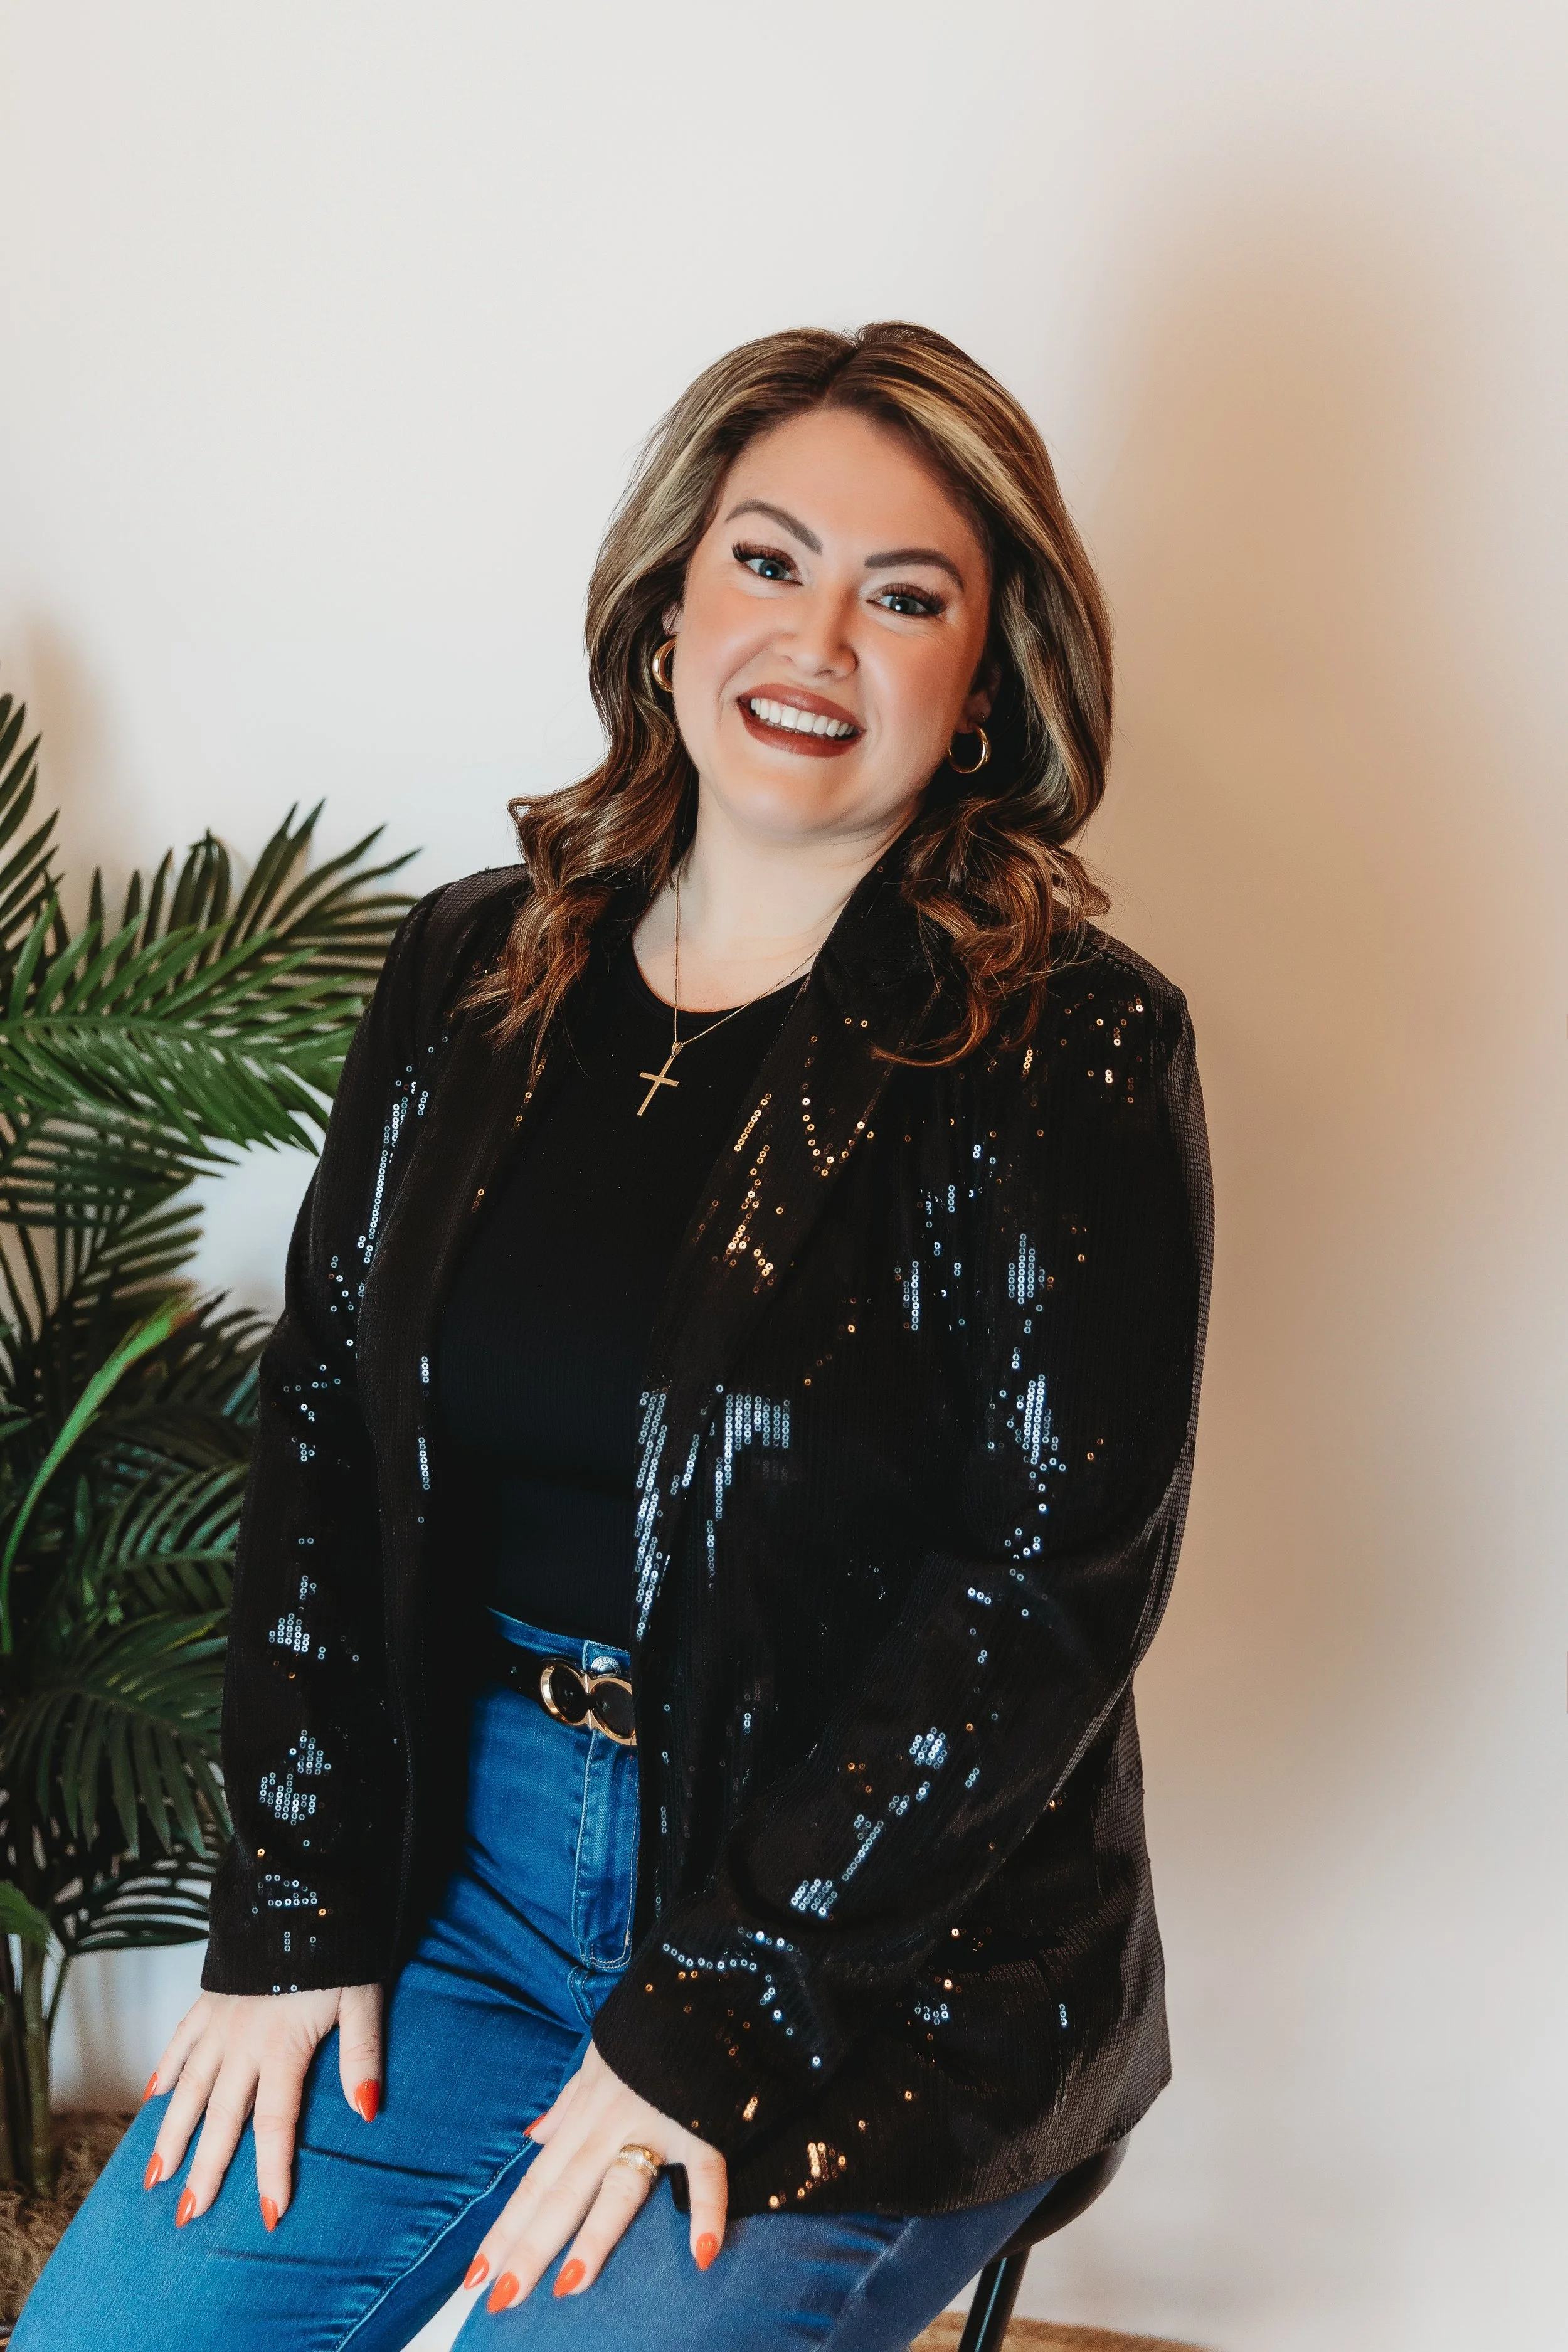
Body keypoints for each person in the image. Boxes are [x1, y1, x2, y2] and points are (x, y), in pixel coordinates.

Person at [17, 322, 1211, 2350]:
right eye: (768, 560)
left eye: (902, 595)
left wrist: (707, 2015)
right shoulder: (475, 965)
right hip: (458, 1884)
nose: (817, 636)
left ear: (982, 692)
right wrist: (298, 1912)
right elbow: (323, 1406)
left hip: (865, 1962)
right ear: (668, 608)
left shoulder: (1065, 1042)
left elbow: (1048, 1586)